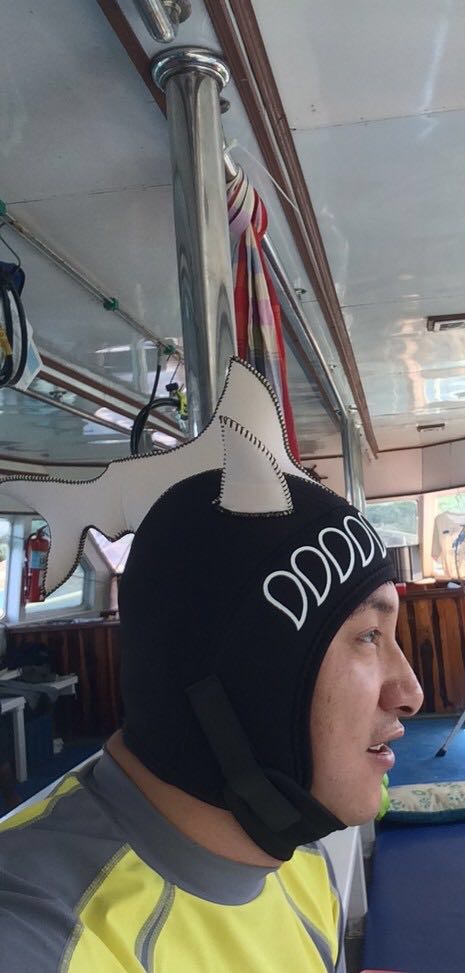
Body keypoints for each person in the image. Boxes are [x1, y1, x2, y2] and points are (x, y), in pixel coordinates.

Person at [0, 359, 423, 972]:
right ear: (254, 678)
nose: (409, 691)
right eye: (367, 636)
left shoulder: (300, 861)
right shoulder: (39, 935)